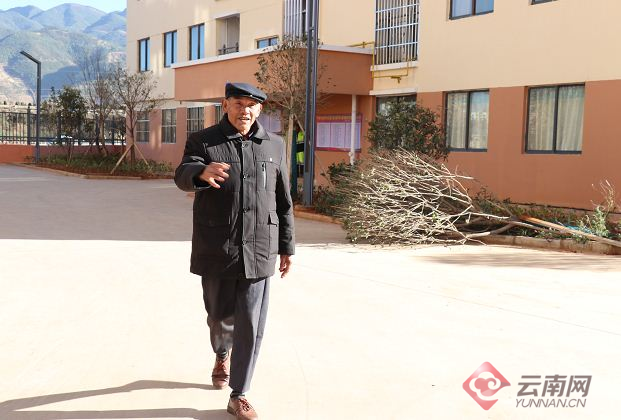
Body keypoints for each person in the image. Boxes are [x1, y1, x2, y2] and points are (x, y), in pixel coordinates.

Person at [174, 82, 295, 420]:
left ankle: (239, 393)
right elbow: (182, 175)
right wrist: (200, 171)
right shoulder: (204, 141)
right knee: (219, 317)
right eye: (239, 103)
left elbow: (283, 199)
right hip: (218, 246)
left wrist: (286, 246)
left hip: (260, 247)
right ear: (225, 104)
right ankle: (221, 352)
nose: (245, 110)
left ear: (260, 109)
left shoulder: (274, 145)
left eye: (252, 105)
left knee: (251, 323)